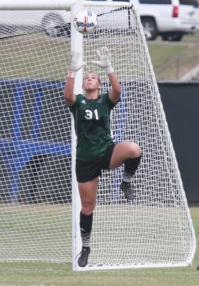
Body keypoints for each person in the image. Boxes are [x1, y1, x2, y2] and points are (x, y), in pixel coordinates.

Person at [64, 47, 141, 267]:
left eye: (93, 77)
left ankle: (125, 183)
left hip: (107, 152)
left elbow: (117, 91)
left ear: (98, 85)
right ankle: (86, 248)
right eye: (86, 77)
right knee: (88, 207)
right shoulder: (78, 102)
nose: (89, 78)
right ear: (83, 84)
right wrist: (71, 71)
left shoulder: (106, 100)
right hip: (86, 159)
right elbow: (67, 96)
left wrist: (108, 68)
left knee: (134, 149)